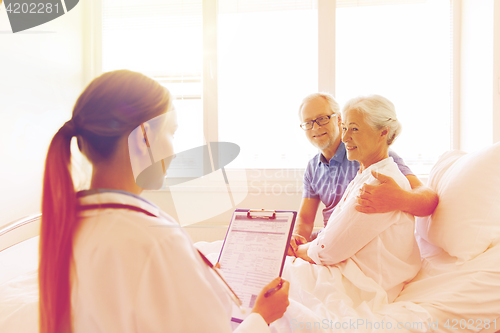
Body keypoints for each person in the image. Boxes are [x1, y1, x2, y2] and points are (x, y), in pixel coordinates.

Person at [39, 69, 289, 333]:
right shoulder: (156, 241)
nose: (173, 149)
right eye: (171, 132)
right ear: (144, 138)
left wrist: (190, 271)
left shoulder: (70, 224)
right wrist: (261, 316)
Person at [293, 94, 421, 302]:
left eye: (354, 129)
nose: (345, 138)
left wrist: (400, 199)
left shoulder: (381, 179)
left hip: (355, 273)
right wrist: (296, 243)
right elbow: (309, 222)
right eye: (308, 122)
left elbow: (330, 249)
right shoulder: (363, 172)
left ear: (383, 133)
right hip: (334, 245)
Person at [289, 92, 438, 254]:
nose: (316, 127)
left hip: (358, 244)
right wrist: (295, 239)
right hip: (329, 238)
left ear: (339, 119)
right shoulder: (313, 167)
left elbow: (428, 199)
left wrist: (400, 199)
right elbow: (305, 219)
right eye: (308, 122)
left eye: (322, 119)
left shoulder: (369, 153)